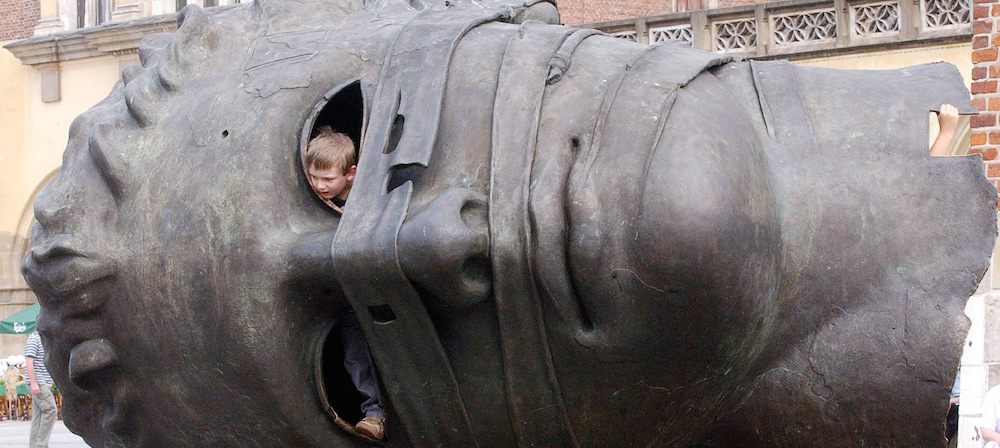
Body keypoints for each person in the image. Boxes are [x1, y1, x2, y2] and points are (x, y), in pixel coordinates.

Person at [305, 126, 386, 440]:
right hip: (346, 299)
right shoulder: (313, 202)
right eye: (314, 177)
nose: (319, 186)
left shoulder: (365, 201)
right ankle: (375, 415)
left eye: (328, 180)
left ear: (351, 174)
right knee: (354, 355)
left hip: (374, 294)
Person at [25, 331, 57, 448]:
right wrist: (34, 383)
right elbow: (29, 361)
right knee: (51, 410)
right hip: (38, 382)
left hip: (42, 382)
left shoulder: (44, 339)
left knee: (38, 415)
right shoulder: (34, 339)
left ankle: (34, 445)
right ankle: (41, 444)